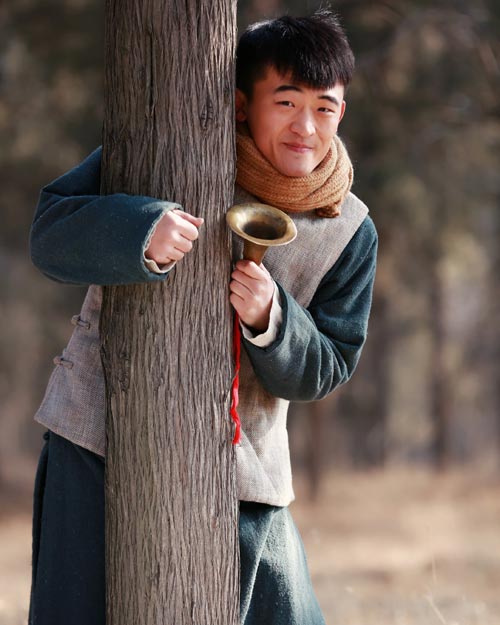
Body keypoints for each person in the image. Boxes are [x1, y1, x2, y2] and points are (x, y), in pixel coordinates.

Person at [28, 10, 377, 625]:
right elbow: (49, 235)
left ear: (342, 113)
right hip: (95, 436)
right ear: (243, 105)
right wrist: (136, 231)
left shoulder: (351, 230)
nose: (306, 126)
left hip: (245, 474)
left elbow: (330, 365)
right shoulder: (163, 147)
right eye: (286, 102)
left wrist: (274, 318)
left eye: (324, 107)